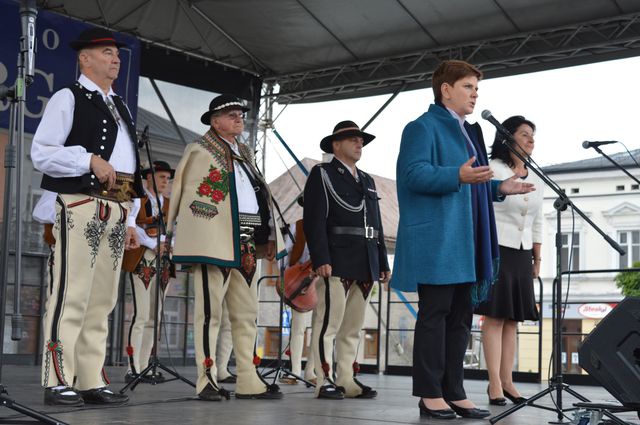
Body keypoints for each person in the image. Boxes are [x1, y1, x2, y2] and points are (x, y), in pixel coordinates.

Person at [392, 60, 534, 420]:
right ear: (446, 89)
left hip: (466, 239)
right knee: (435, 313)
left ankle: (454, 390)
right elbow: (412, 175)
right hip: (439, 238)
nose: (475, 95)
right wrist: (456, 174)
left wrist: (498, 187)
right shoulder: (421, 127)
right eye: (468, 87)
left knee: (460, 318)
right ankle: (428, 392)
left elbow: (472, 183)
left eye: (477, 89)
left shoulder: (470, 131)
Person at [31, 27, 144, 406]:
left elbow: (128, 167)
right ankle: (58, 378)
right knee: (71, 293)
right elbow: (42, 152)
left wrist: (131, 220)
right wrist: (87, 159)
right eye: (108, 52)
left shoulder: (120, 105)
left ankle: (90, 378)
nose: (116, 59)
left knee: (101, 299)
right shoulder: (69, 97)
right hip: (79, 203)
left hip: (116, 208)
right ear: (85, 58)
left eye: (117, 54)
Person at [166, 93, 286, 401]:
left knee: (246, 312)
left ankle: (247, 378)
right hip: (214, 240)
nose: (238, 118)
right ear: (214, 120)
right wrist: (184, 238)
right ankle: (207, 378)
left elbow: (260, 196)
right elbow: (189, 198)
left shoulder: (244, 152)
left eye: (241, 113)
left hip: (246, 238)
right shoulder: (199, 150)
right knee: (210, 313)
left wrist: (268, 234)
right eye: (230, 114)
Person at [303, 120, 391, 400]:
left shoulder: (367, 180)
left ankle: (346, 379)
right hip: (336, 258)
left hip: (365, 260)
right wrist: (321, 258)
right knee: (327, 323)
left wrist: (383, 262)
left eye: (361, 140)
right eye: (353, 139)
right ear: (336, 144)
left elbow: (375, 224)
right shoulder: (322, 173)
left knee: (353, 327)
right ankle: (323, 379)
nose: (359, 143)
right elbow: (313, 220)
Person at [475, 116, 544, 405]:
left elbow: (539, 220)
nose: (531, 140)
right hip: (496, 248)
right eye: (524, 134)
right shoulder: (493, 169)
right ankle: (493, 384)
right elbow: (481, 204)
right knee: (494, 317)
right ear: (507, 137)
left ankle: (508, 381)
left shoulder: (537, 176)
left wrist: (537, 258)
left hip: (521, 252)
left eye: (533, 135)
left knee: (513, 319)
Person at [122, 160, 175, 384]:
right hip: (143, 256)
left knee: (155, 316)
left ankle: (146, 365)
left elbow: (175, 228)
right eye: (162, 177)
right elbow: (131, 225)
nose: (166, 181)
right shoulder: (138, 198)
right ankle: (133, 368)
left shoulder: (169, 203)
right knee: (142, 314)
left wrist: (170, 245)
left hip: (164, 260)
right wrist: (154, 244)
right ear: (150, 177)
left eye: (167, 178)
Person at [280, 215, 316, 385]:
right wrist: (289, 278)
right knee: (298, 328)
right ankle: (295, 371)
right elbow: (286, 254)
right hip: (302, 282)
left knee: (319, 329)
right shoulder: (297, 226)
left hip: (322, 281)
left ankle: (311, 372)